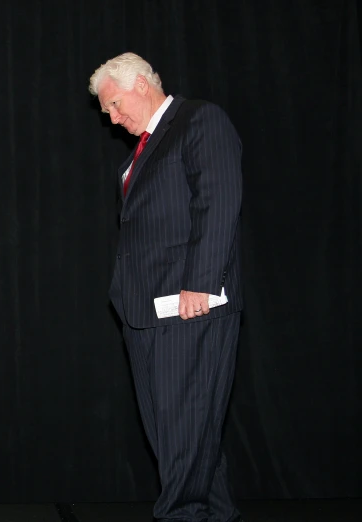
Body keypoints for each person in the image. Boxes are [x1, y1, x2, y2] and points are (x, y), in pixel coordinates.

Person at [89, 52, 244, 522]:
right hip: (143, 313)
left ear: (140, 83)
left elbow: (219, 201)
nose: (113, 119)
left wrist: (200, 282)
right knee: (182, 438)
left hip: (189, 306)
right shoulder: (141, 151)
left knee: (184, 436)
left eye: (114, 105)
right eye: (107, 113)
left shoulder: (199, 120)